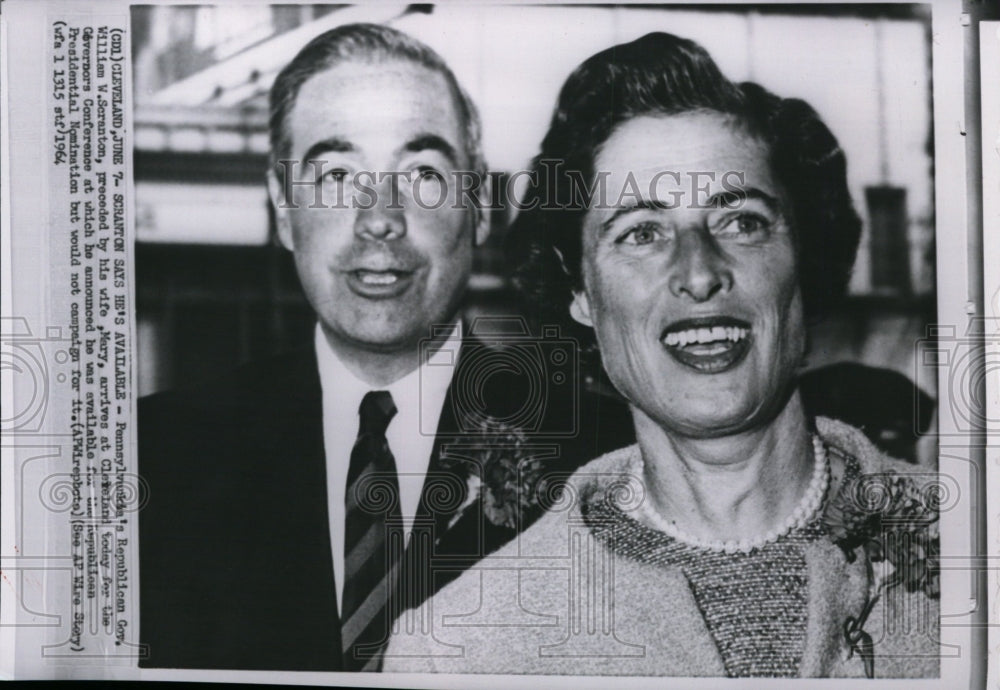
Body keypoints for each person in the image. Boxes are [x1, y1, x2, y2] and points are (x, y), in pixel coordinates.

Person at [384, 32, 940, 678]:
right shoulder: (458, 649)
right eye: (642, 233)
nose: (699, 274)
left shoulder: (976, 544)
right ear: (581, 294)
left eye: (741, 220)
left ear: (802, 258)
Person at [137, 23, 631, 672]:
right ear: (284, 207)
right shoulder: (158, 458)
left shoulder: (603, 459)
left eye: (421, 173)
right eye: (339, 175)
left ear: (477, 201)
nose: (379, 218)